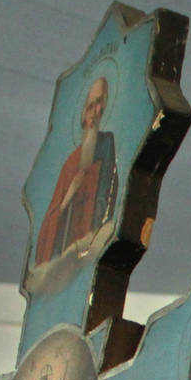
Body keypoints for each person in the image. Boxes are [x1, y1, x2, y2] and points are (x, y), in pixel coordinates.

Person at [34, 76, 118, 267]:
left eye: (100, 105)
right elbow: (50, 220)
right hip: (68, 252)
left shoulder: (106, 144)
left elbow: (106, 194)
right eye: (91, 106)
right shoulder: (71, 163)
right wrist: (68, 196)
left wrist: (95, 233)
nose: (95, 113)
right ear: (83, 114)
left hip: (91, 241)